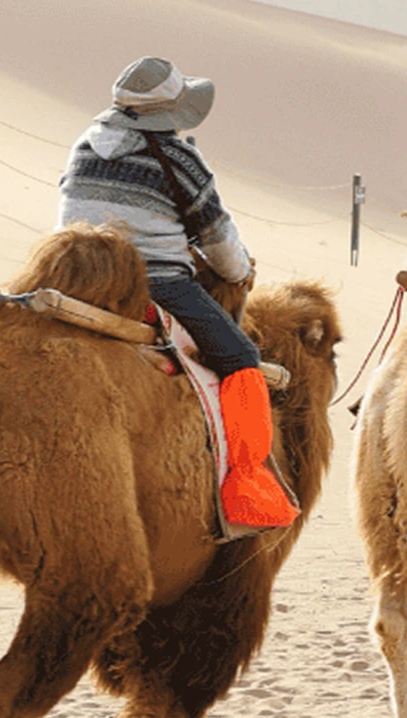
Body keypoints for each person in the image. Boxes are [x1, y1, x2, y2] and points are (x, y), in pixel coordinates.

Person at [57, 57, 294, 529]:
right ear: (170, 111)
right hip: (155, 283)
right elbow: (220, 245)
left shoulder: (84, 144)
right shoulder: (177, 158)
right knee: (241, 357)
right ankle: (247, 484)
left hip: (75, 277)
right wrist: (241, 269)